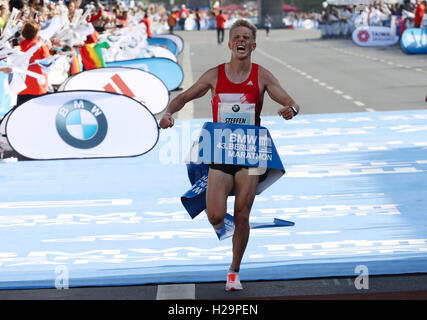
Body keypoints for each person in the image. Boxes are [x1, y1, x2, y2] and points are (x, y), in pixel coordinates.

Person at [159, 20, 300, 291]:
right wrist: (168, 114)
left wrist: (291, 110)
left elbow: (290, 101)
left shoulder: (262, 76)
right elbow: (185, 97)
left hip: (250, 152)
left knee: (243, 214)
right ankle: (235, 229)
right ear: (230, 43)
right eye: (237, 37)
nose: (242, 41)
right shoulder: (215, 75)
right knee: (215, 216)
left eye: (247, 37)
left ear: (253, 45)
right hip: (220, 151)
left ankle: (234, 271)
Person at [17, 20, 51, 106]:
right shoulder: (41, 46)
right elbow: (48, 63)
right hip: (38, 86)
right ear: (36, 32)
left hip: (22, 87)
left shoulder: (19, 46)